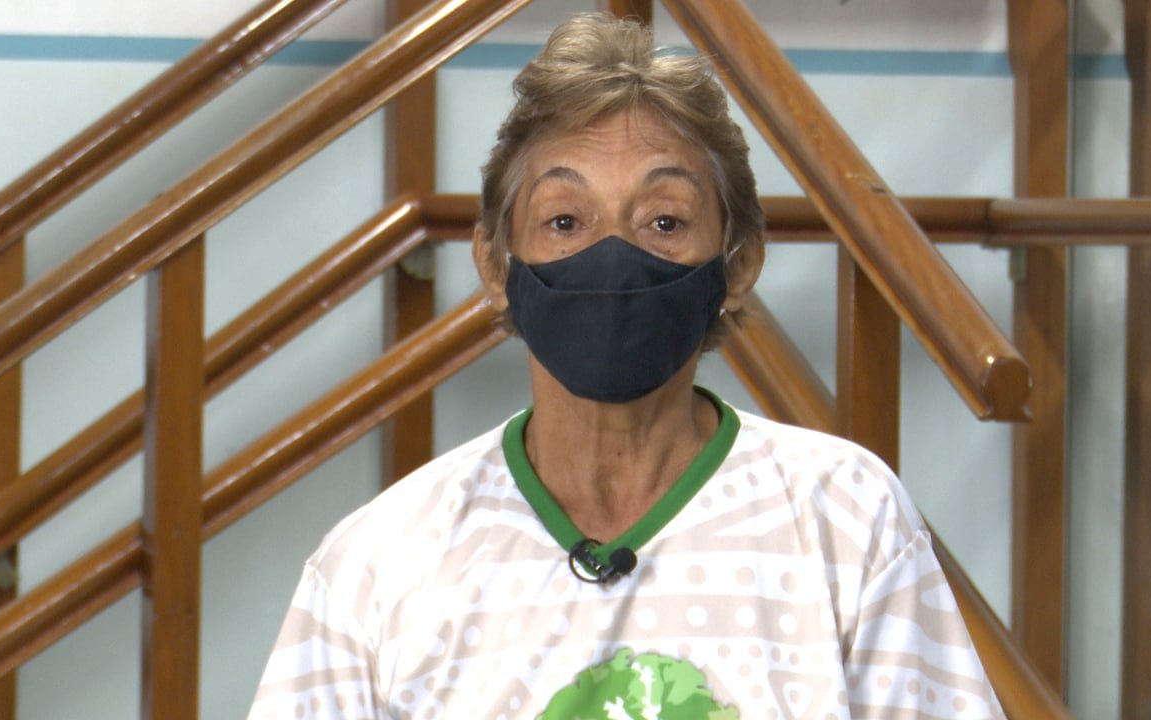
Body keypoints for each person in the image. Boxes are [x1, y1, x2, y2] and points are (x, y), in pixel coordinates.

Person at [248, 12, 1001, 720]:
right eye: (564, 221)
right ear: (496, 263)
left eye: (664, 221)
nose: (612, 255)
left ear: (739, 265)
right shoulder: (380, 563)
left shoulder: (845, 516)